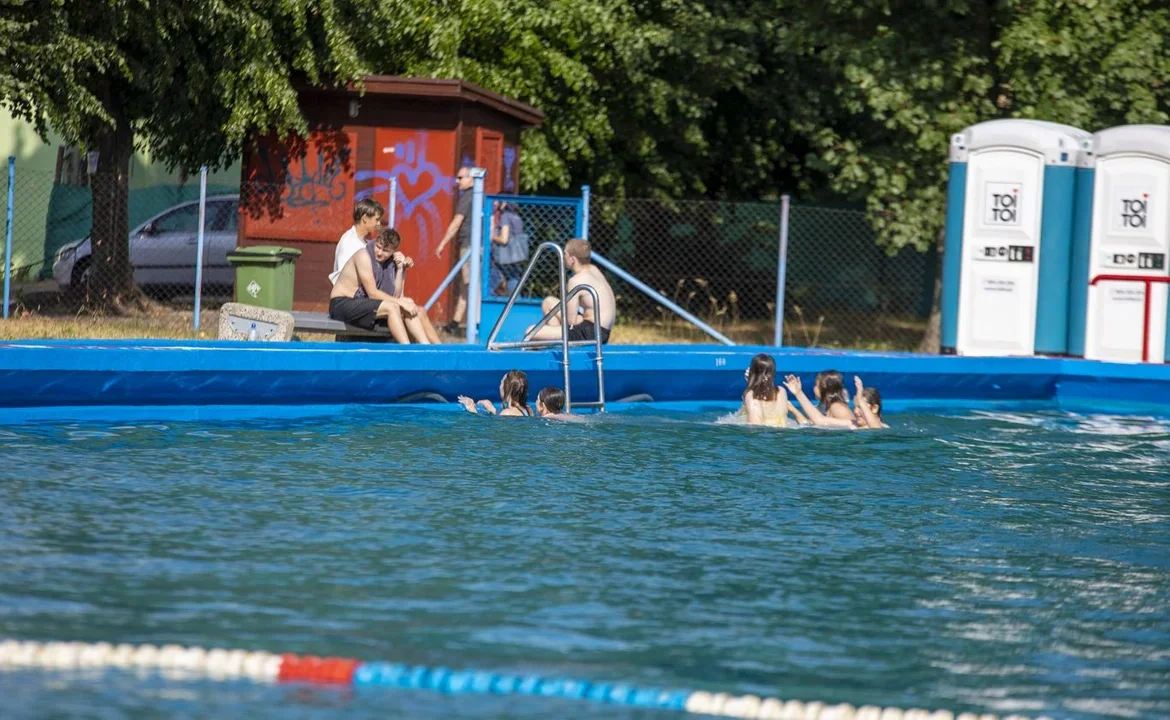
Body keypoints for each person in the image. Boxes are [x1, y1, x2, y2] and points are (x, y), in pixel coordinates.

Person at [329, 229, 432, 344]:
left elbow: (394, 295)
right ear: (375, 241)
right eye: (378, 247)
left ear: (393, 251)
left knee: (411, 305)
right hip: (341, 304)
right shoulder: (363, 255)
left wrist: (400, 269)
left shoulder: (389, 263)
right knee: (393, 307)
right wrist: (401, 302)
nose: (379, 252)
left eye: (385, 251)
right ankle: (407, 350)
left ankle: (427, 350)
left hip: (364, 303)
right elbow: (373, 293)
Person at [527, 239, 616, 344]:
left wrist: (579, 318)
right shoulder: (593, 269)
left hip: (590, 333)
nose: (563, 257)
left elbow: (571, 321)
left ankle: (559, 342)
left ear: (572, 259)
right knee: (549, 302)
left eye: (565, 254)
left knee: (531, 332)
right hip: (601, 330)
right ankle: (560, 344)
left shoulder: (575, 281)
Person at [435, 167, 476, 334]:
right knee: (467, 284)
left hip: (469, 245)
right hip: (475, 245)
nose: (457, 181)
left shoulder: (468, 196)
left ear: (471, 178)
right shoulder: (480, 196)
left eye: (460, 178)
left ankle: (474, 326)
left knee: (470, 284)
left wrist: (443, 243)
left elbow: (457, 221)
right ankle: (455, 323)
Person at [741, 354, 807, 427]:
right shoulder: (781, 391)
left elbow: (755, 427)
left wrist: (751, 384)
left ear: (752, 373)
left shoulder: (751, 396)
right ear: (773, 372)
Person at [330, 197, 384, 285]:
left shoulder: (364, 242)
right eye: (377, 220)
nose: (378, 224)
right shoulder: (349, 242)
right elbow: (342, 278)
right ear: (365, 219)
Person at [782, 373, 863, 429]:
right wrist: (792, 408)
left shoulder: (837, 407)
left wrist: (798, 393)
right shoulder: (825, 407)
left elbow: (820, 421)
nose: (813, 388)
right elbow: (808, 423)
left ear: (824, 387)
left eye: (816, 385)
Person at [490, 201, 529, 297]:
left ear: (503, 203)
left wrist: (492, 237)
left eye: (497, 201)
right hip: (515, 256)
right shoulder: (516, 217)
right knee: (513, 278)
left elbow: (504, 239)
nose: (495, 204)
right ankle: (517, 302)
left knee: (492, 276)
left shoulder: (505, 217)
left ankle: (488, 300)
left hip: (506, 256)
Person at [457, 370, 533, 417]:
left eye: (501, 383)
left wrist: (472, 410)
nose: (499, 386)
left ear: (506, 389)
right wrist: (494, 410)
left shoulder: (507, 413)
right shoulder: (528, 409)